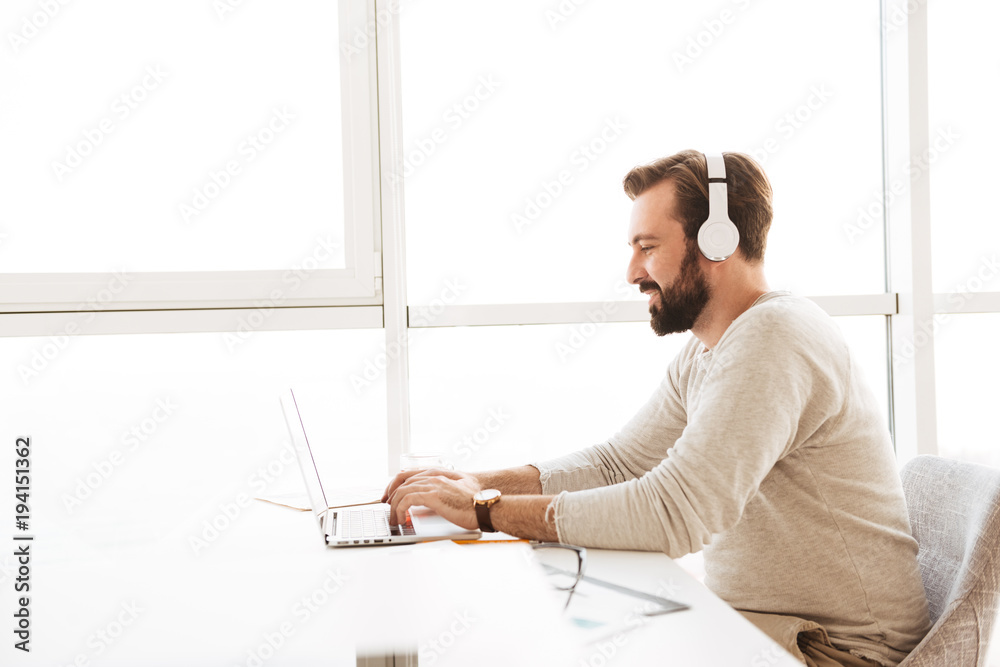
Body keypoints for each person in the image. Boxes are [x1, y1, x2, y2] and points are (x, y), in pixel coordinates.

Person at [382, 150, 931, 667]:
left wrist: (485, 509)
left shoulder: (775, 337)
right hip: (767, 628)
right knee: (565, 628)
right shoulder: (715, 345)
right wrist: (473, 481)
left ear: (716, 241)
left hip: (837, 652)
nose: (631, 272)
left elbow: (673, 514)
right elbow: (621, 463)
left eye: (648, 247)